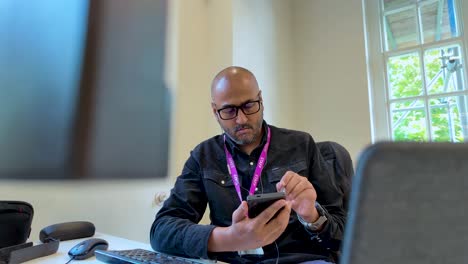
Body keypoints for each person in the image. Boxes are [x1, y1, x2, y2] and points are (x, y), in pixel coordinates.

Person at [150, 66, 346, 264]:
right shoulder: (203, 156)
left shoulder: (301, 145)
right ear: (215, 111)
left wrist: (312, 216)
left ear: (260, 100)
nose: (241, 119)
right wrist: (230, 238)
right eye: (229, 110)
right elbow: (162, 231)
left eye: (249, 105)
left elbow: (344, 234)